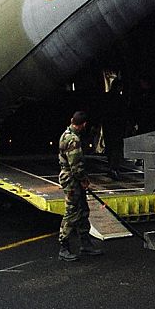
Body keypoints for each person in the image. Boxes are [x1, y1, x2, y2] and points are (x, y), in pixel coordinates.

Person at [57, 111, 102, 261]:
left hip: (71, 178)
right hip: (72, 180)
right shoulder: (73, 140)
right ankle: (64, 247)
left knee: (82, 210)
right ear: (84, 124)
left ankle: (85, 244)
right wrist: (83, 180)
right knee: (72, 212)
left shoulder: (65, 135)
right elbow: (75, 166)